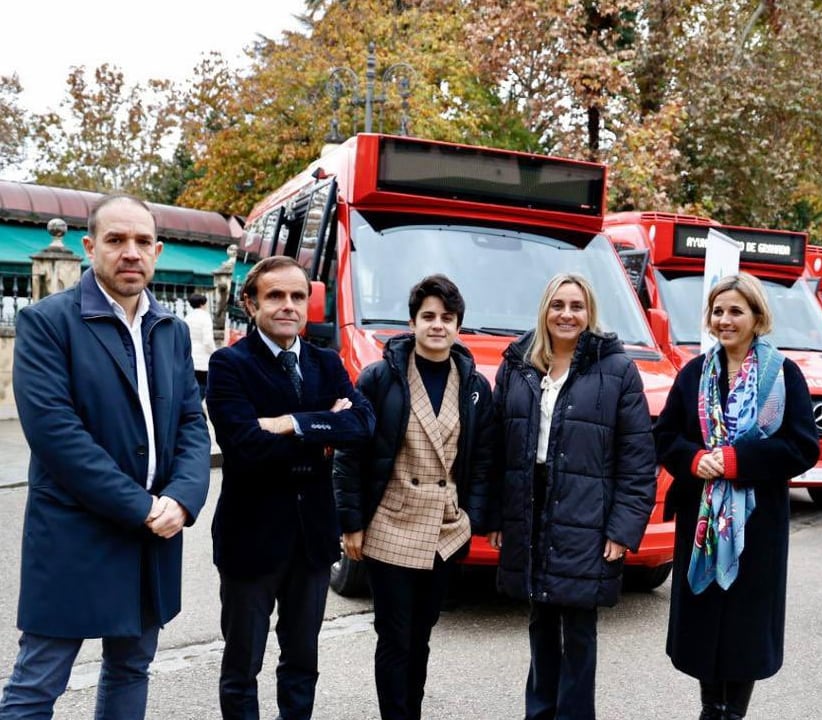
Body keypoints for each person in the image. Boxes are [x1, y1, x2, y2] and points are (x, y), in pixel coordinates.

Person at [0, 193, 211, 719]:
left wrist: (182, 499)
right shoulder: (47, 323)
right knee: (37, 684)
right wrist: (142, 506)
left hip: (154, 535)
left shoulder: (173, 330)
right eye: (116, 240)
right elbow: (57, 436)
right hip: (76, 532)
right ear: (90, 247)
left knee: (130, 669)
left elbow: (191, 423)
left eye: (142, 241)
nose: (131, 252)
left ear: (158, 251)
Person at [206, 255, 375, 720]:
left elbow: (362, 424)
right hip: (250, 539)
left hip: (313, 539)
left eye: (297, 296)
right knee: (243, 663)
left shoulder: (325, 362)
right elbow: (244, 446)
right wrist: (324, 431)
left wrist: (289, 424)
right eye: (275, 296)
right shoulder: (228, 365)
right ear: (251, 302)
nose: (288, 305)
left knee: (302, 660)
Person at [487, 273, 656, 720]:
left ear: (589, 313)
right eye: (558, 305)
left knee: (579, 626)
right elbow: (496, 447)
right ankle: (539, 713)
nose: (566, 314)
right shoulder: (517, 364)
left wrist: (623, 529)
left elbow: (637, 458)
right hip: (531, 502)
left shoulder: (617, 369)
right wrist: (499, 517)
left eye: (576, 306)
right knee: (540, 620)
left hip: (587, 509)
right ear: (545, 309)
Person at [652, 273, 819, 720]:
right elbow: (665, 435)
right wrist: (693, 459)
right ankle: (711, 708)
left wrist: (733, 461)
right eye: (718, 311)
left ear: (757, 317)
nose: (725, 320)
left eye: (735, 311)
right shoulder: (694, 373)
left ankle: (733, 712)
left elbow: (802, 447)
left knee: (744, 625)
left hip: (756, 525)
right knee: (706, 618)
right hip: (702, 520)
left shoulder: (783, 376)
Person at [332, 274, 498, 720]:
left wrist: (476, 518)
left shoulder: (476, 385)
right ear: (412, 322)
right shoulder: (380, 377)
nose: (437, 325)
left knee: (422, 634)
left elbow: (483, 458)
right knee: (394, 636)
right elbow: (351, 454)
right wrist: (351, 523)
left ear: (459, 325)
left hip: (445, 529)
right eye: (428, 316)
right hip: (390, 524)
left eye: (447, 317)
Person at [186, 292, 217, 399]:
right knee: (203, 386)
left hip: (190, 357)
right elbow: (207, 340)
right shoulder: (205, 317)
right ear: (203, 304)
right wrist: (215, 353)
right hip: (203, 358)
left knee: (191, 387)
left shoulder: (188, 317)